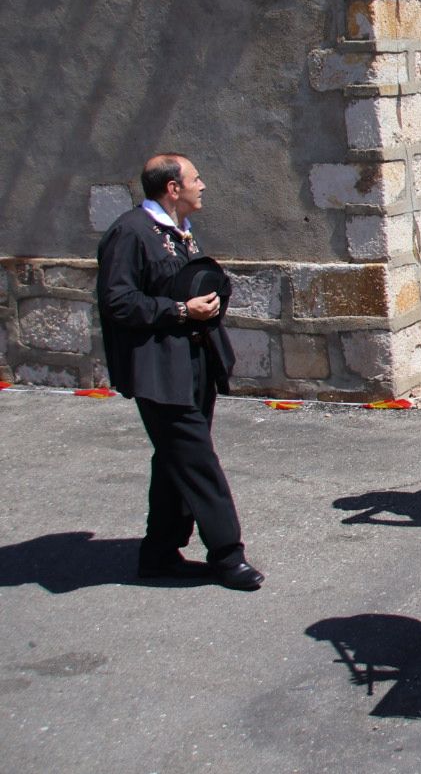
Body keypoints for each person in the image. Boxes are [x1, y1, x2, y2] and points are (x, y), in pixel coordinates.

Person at [96, 154, 262, 590]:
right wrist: (178, 309)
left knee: (176, 459)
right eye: (195, 178)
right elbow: (117, 301)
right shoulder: (129, 233)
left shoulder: (175, 231)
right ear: (172, 187)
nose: (202, 185)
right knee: (196, 459)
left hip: (192, 362)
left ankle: (158, 553)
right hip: (158, 371)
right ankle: (228, 554)